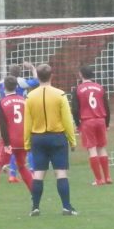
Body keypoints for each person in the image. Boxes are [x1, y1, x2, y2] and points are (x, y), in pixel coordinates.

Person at [23, 63, 78, 216]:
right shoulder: (60, 95)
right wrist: (72, 140)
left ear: (38, 77)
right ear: (51, 76)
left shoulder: (30, 97)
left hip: (38, 138)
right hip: (57, 137)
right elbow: (67, 119)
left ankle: (35, 207)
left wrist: (26, 143)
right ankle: (66, 207)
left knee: (38, 174)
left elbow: (27, 122)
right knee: (61, 173)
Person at [0, 76, 34, 202]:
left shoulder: (2, 102)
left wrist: (6, 143)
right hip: (23, 139)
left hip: (9, 140)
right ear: (16, 86)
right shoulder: (25, 101)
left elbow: (3, 125)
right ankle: (35, 193)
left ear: (4, 87)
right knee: (22, 166)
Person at [0, 63, 39, 182]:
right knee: (28, 145)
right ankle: (32, 172)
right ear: (19, 73)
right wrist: (32, 68)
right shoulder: (21, 81)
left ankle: (12, 174)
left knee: (11, 145)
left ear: (9, 72)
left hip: (6, 115)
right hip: (21, 115)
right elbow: (36, 81)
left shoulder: (1, 83)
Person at [73, 65, 113, 184]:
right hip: (101, 120)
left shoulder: (78, 89)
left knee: (92, 149)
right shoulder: (100, 87)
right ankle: (108, 177)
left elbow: (75, 109)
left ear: (81, 74)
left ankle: (98, 179)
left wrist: (77, 124)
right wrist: (107, 123)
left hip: (87, 121)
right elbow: (107, 107)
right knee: (102, 148)